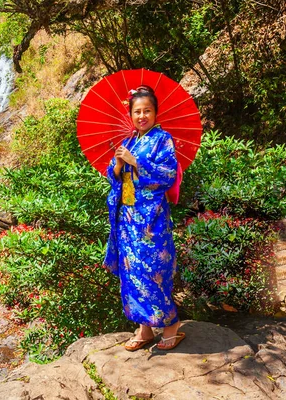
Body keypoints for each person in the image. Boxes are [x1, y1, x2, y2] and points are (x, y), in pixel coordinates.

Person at [103, 85, 184, 351]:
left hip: (152, 219)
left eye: (147, 110)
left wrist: (136, 161)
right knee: (131, 273)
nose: (141, 116)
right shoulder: (128, 141)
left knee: (153, 271)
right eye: (137, 111)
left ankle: (171, 325)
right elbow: (115, 179)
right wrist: (117, 166)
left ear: (155, 113)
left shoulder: (163, 139)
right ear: (130, 114)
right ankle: (145, 328)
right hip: (127, 218)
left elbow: (167, 173)